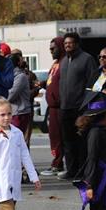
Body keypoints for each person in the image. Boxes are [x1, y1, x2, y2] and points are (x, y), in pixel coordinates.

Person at [71, 94, 106, 210]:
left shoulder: (102, 131)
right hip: (99, 181)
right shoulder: (95, 134)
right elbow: (91, 160)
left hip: (104, 178)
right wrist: (90, 185)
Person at [58, 33, 97, 180]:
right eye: (65, 43)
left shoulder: (87, 59)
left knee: (82, 143)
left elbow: (92, 84)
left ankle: (83, 172)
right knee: (68, 142)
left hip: (80, 109)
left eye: (70, 43)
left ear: (77, 44)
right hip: (65, 108)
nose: (67, 45)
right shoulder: (63, 61)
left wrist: (87, 108)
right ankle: (71, 170)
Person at [40, 37, 66, 176]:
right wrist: (43, 84)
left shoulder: (64, 63)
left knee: (62, 137)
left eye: (53, 48)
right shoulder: (55, 63)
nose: (51, 51)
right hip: (52, 107)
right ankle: (57, 162)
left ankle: (59, 164)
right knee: (54, 137)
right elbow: (52, 82)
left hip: (61, 106)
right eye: (50, 48)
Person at [8, 52, 33, 139]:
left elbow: (11, 95)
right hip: (13, 112)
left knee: (16, 140)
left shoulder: (20, 76)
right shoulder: (11, 76)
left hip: (20, 112)